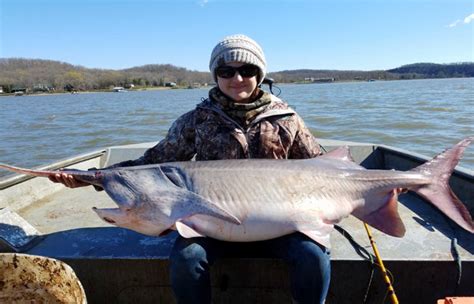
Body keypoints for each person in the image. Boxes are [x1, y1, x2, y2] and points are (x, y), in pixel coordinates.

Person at [49, 34, 331, 303]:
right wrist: (90, 179)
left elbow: (323, 166)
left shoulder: (288, 119)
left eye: (247, 69)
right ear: (215, 75)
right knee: (186, 258)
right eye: (226, 71)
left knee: (313, 256)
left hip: (278, 224)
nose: (237, 79)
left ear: (260, 74)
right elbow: (151, 164)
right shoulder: (196, 120)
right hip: (212, 224)